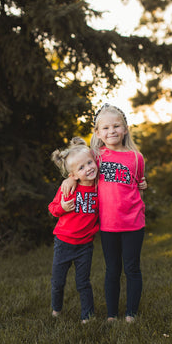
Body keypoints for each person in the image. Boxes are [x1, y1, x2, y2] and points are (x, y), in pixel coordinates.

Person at [62, 104, 146, 323]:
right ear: (98, 133)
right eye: (106, 127)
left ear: (125, 129)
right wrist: (70, 178)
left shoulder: (136, 158)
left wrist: (143, 185)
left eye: (116, 126)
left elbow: (138, 184)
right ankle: (111, 315)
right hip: (108, 224)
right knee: (112, 270)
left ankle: (131, 313)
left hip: (134, 223)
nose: (112, 131)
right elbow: (78, 166)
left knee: (132, 268)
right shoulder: (96, 156)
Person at [48, 137, 99, 324]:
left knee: (83, 282)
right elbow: (53, 209)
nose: (88, 168)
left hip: (85, 245)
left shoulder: (99, 188)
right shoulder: (69, 188)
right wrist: (62, 206)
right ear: (73, 175)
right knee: (58, 282)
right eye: (81, 168)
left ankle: (87, 316)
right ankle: (56, 310)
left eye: (89, 162)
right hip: (63, 242)